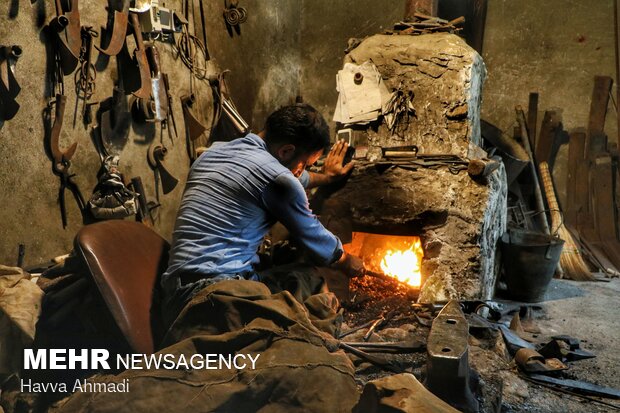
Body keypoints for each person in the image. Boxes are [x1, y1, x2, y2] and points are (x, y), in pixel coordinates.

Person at [161, 103, 364, 326]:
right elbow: (319, 243)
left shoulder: (214, 152)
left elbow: (290, 176)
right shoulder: (278, 179)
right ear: (286, 151)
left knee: (287, 265)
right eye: (305, 163)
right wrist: (347, 261)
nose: (303, 170)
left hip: (174, 292)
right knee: (311, 282)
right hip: (215, 297)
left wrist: (326, 178)